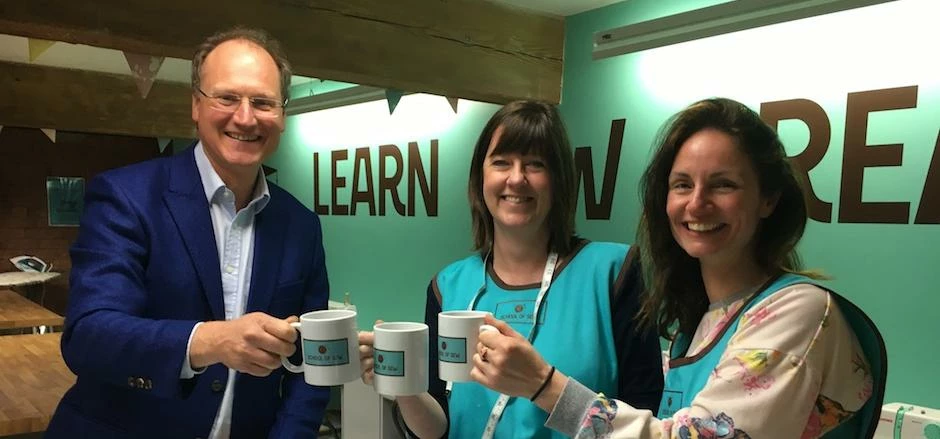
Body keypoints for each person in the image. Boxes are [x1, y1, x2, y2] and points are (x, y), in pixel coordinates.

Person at [478, 97, 876, 438]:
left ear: (768, 198)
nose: (697, 204)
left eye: (723, 185)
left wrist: (544, 385)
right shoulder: (701, 322)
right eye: (682, 184)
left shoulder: (799, 312)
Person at [46, 28, 331, 438]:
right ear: (196, 105)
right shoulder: (126, 196)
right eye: (227, 98)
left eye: (263, 102)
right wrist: (209, 341)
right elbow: (89, 335)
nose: (246, 117)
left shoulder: (301, 225)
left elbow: (313, 362)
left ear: (282, 115)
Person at [358, 100, 664, 438]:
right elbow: (439, 429)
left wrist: (542, 383)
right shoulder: (448, 286)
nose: (516, 179)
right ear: (480, 178)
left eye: (535, 164)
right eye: (501, 162)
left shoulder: (613, 274)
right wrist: (404, 386)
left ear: (559, 180)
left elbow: (642, 419)